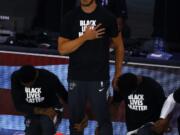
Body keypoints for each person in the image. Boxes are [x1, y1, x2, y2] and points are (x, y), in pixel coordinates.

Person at [58, 0, 124, 134]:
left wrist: (118, 73)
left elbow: (119, 45)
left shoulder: (107, 17)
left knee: (104, 120)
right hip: (76, 77)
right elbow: (62, 49)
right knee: (75, 122)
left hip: (99, 77)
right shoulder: (70, 17)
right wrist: (85, 37)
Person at [11, 65, 68, 135]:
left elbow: (64, 95)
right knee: (32, 132)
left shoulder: (49, 78)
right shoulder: (16, 77)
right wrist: (43, 111)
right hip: (33, 111)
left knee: (47, 124)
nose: (25, 86)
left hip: (51, 108)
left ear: (35, 78)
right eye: (23, 84)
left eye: (28, 85)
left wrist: (79, 111)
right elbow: (18, 105)